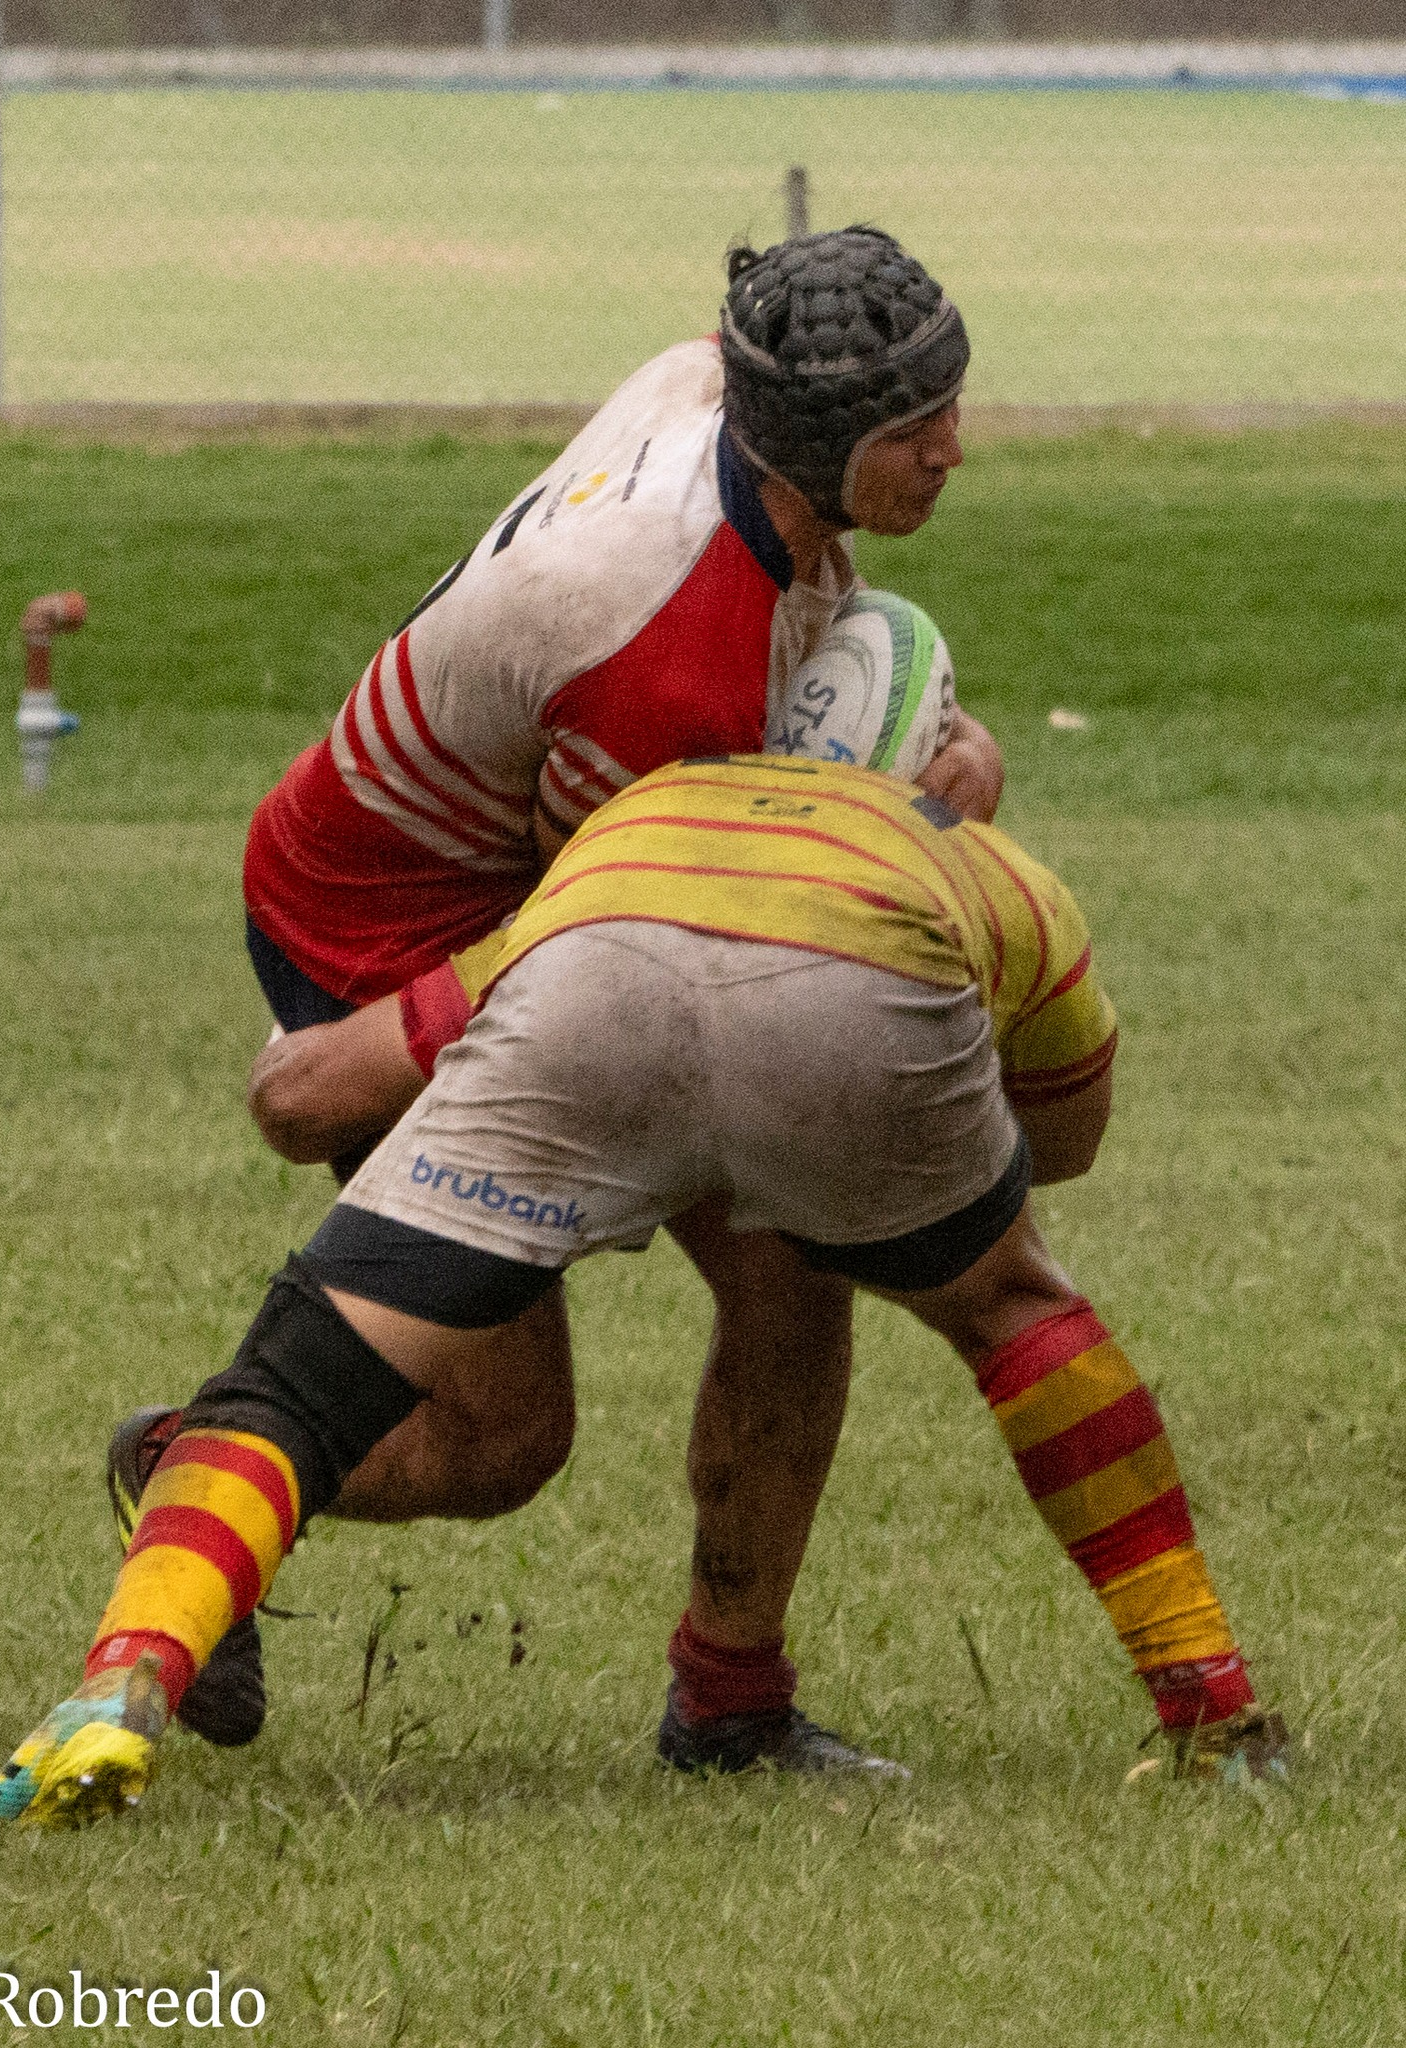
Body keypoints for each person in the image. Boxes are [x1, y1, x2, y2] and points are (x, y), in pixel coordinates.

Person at [0, 754, 1285, 1829]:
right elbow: (1066, 1141)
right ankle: (1214, 1715)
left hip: (589, 979)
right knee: (1017, 1312)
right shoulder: (997, 871)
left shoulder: (636, 820)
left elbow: (314, 1090)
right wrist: (856, 1173)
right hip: (867, 993)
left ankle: (117, 1686)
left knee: (298, 1384)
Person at [123, 226, 1005, 1757]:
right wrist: (919, 824)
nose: (954, 449)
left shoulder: (713, 378)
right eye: (915, 425)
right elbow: (627, 934)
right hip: (390, 923)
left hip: (522, 848)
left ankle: (731, 1704)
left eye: (950, 402)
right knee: (502, 1438)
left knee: (792, 1274)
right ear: (811, 444)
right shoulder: (671, 668)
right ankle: (190, 1466)